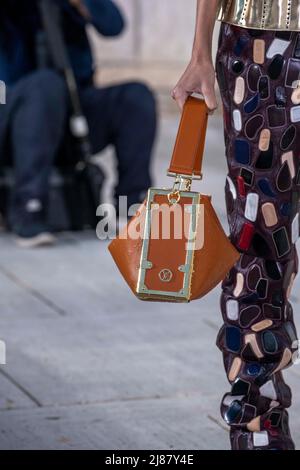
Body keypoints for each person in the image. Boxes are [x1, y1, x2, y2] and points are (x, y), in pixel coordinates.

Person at [173, 0, 300, 450]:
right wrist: (200, 53)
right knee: (258, 239)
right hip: (258, 44)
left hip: (259, 53)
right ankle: (256, 424)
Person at [0, 0, 156, 247]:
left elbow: (113, 24)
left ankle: (132, 207)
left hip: (74, 116)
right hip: (15, 120)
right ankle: (29, 210)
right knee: (45, 85)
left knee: (136, 97)